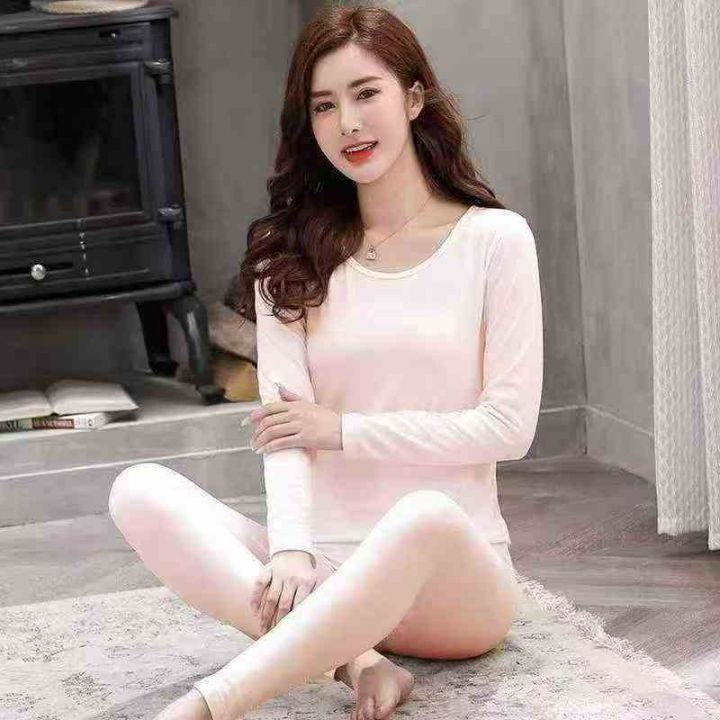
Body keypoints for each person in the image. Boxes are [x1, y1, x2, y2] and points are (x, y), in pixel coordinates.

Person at [108, 5, 543, 720]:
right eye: (324, 105)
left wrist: (343, 430)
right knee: (139, 490)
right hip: (328, 577)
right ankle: (357, 662)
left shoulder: (496, 241)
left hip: (451, 587)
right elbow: (286, 434)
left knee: (423, 514)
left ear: (413, 97)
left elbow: (509, 429)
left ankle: (210, 706)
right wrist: (290, 549)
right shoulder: (287, 256)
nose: (348, 123)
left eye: (366, 94)